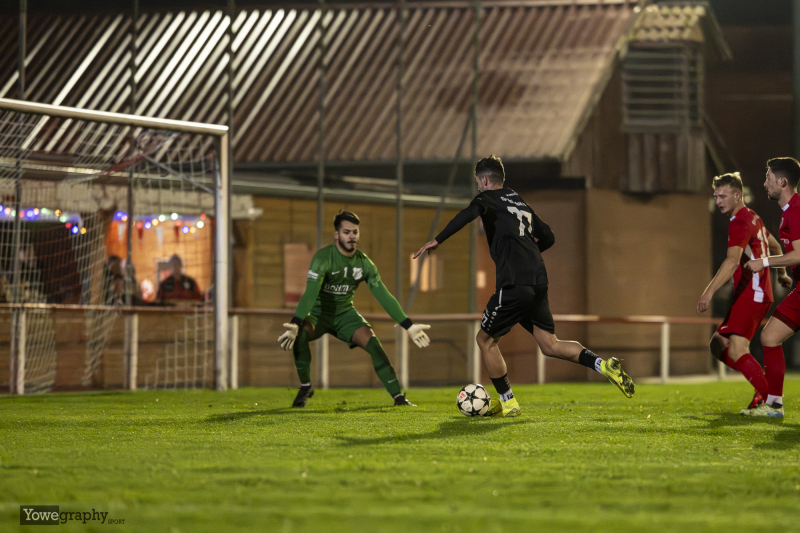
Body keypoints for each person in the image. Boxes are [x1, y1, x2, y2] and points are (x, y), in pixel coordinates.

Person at [413, 155, 634, 417]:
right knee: (550, 344)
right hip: (538, 280)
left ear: (484, 180)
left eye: (477, 182)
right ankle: (602, 365)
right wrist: (529, 254)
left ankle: (509, 403)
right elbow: (548, 235)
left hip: (514, 283)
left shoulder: (486, 200)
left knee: (484, 340)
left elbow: (466, 215)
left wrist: (437, 240)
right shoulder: (518, 200)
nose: (477, 187)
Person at [277, 210, 431, 408]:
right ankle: (306, 386)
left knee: (375, 347)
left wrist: (408, 325)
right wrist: (296, 322)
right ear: (336, 235)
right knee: (300, 337)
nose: (352, 236)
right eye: (347, 232)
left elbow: (383, 296)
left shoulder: (364, 263)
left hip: (345, 315)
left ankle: (398, 398)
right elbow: (310, 292)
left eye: (355, 232)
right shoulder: (323, 258)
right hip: (317, 314)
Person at [696, 172, 790, 413]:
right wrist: (781, 275)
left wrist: (708, 293)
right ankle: (761, 386)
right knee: (718, 344)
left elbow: (731, 261)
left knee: (737, 349)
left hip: (752, 293)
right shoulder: (753, 217)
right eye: (716, 196)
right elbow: (775, 245)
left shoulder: (740, 221)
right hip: (754, 293)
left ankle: (770, 400)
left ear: (737, 195)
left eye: (723, 196)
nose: (718, 201)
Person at [743, 157, 800, 418]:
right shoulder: (789, 210)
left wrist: (763, 262)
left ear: (783, 181)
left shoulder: (797, 209)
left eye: (768, 178)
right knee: (769, 337)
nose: (765, 183)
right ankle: (775, 406)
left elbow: (798, 255)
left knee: (768, 336)